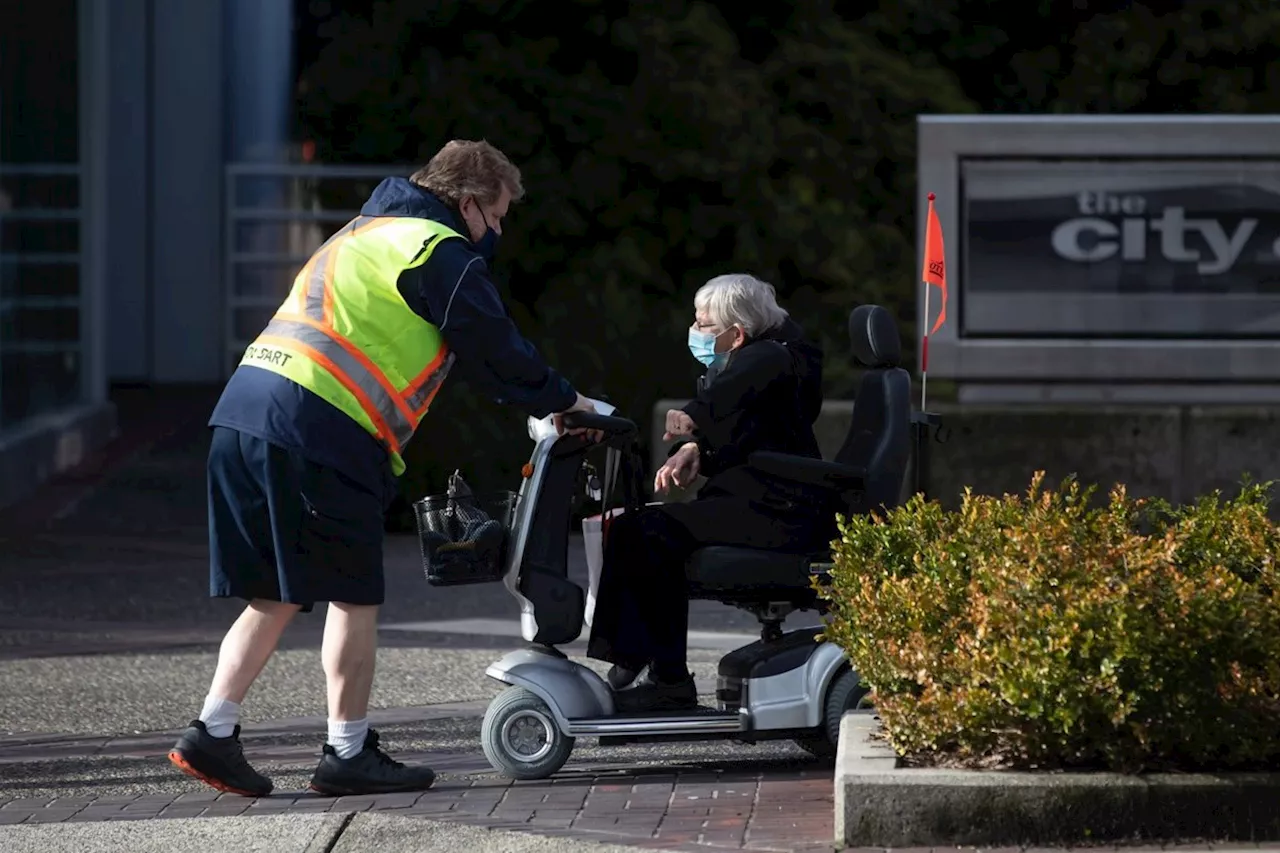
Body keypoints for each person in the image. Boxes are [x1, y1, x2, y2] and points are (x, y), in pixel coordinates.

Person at [168, 140, 596, 798]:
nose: (501, 231)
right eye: (500, 215)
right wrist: (568, 402)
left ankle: (214, 731)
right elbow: (498, 351)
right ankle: (346, 751)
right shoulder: (437, 249)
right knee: (354, 592)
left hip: (247, 411)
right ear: (470, 202)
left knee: (277, 592)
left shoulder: (365, 231)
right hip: (323, 426)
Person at [585, 273, 827, 713]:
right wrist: (696, 449)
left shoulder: (775, 358)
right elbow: (745, 433)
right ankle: (649, 664)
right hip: (760, 502)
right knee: (640, 526)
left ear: (737, 334)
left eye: (705, 326)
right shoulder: (771, 359)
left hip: (780, 512)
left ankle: (660, 675)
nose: (695, 333)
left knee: (646, 530)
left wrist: (693, 416)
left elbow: (738, 387)